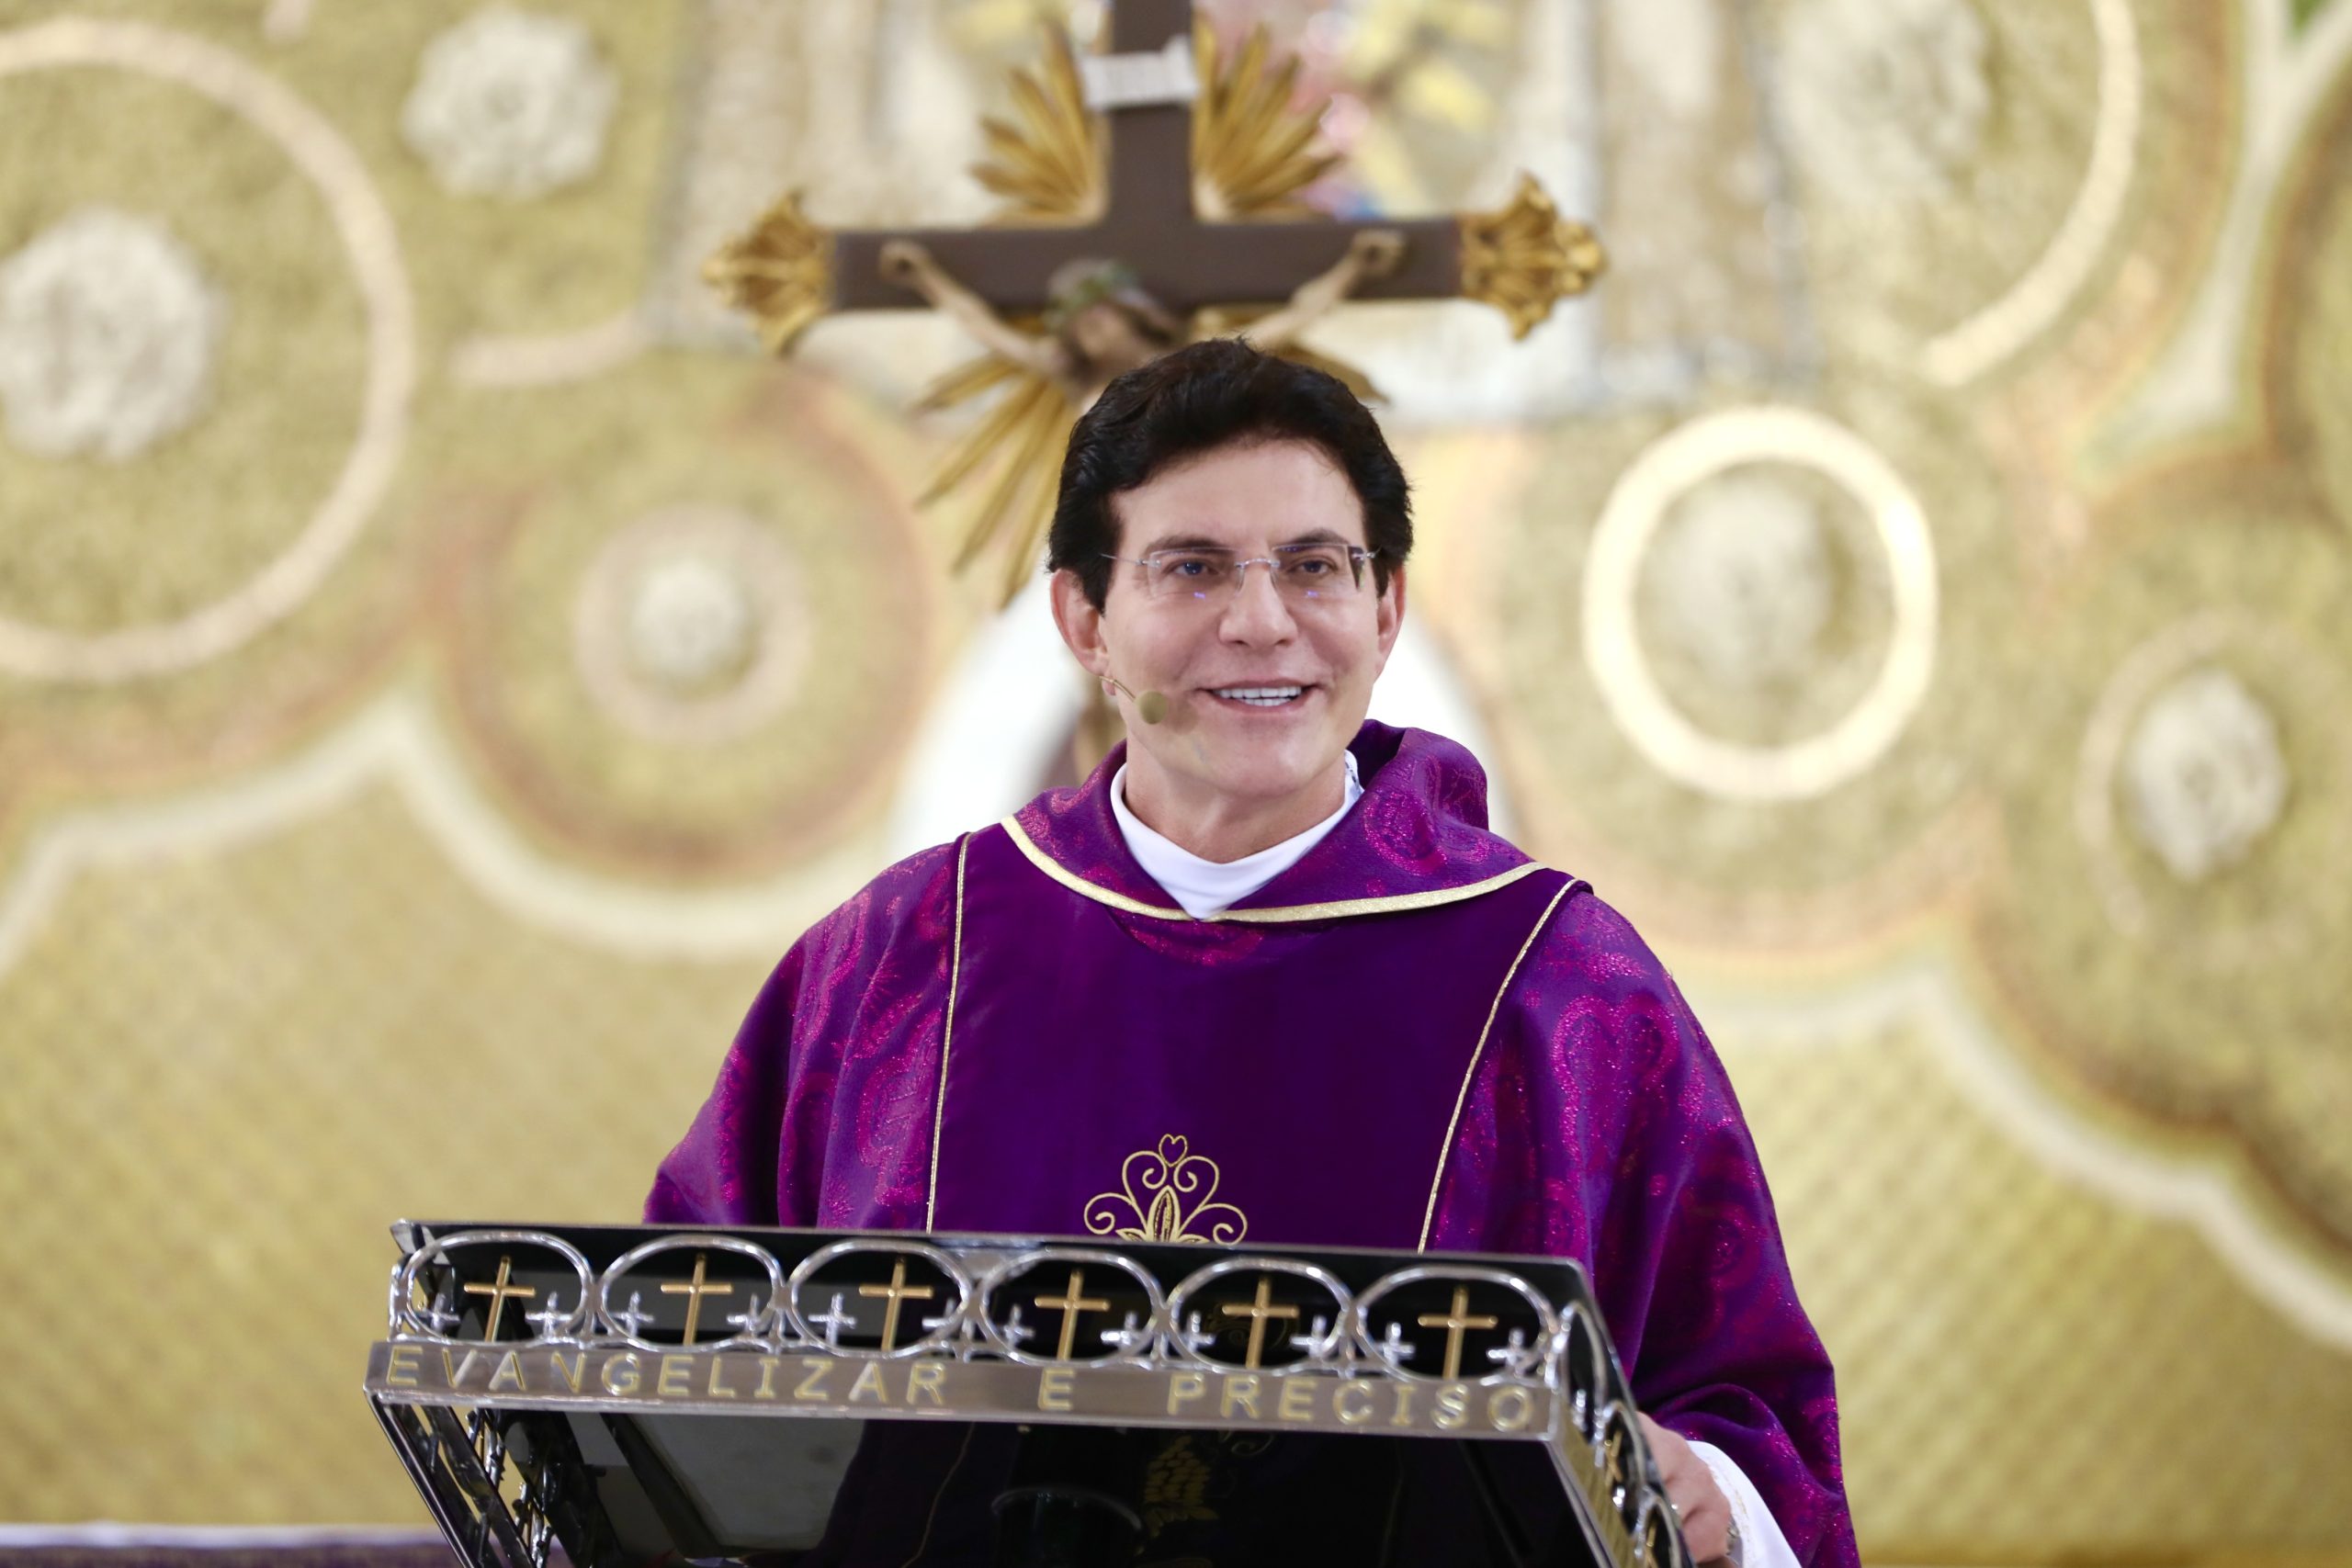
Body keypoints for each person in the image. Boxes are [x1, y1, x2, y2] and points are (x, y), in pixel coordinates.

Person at [647, 339, 1857, 1567]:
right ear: (1084, 620)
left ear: (1385, 612)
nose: (1262, 623)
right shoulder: (898, 962)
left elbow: (1749, 1413)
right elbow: (676, 1372)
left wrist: (1708, 1490)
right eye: (1192, 569)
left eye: (1315, 568)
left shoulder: (1556, 983)